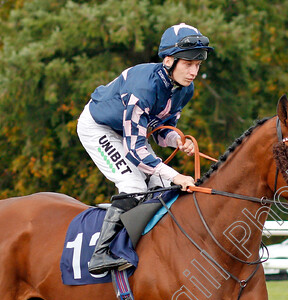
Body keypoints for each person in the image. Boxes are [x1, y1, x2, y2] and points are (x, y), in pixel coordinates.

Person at [77, 23, 213, 275]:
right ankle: (100, 254)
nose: (194, 71)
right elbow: (135, 150)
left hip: (129, 134)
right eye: (188, 64)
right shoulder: (143, 88)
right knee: (134, 186)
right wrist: (175, 174)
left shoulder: (184, 89)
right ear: (169, 61)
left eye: (198, 65)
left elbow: (161, 129)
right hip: (99, 128)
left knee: (162, 188)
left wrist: (178, 141)